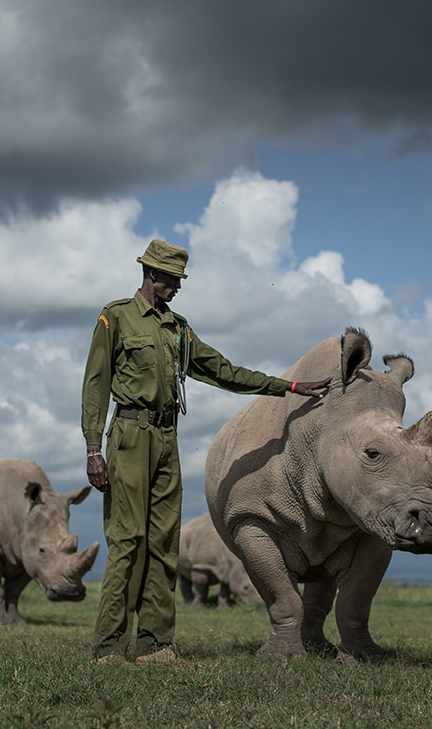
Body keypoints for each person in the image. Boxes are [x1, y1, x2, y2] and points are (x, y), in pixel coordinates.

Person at [81, 238, 330, 665]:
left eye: (180, 280)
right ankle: (109, 648)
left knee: (164, 543)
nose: (177, 287)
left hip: (166, 439)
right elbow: (95, 384)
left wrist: (287, 387)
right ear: (152, 275)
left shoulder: (179, 328)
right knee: (128, 540)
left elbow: (222, 370)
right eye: (173, 280)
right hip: (127, 435)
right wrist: (92, 448)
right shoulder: (115, 316)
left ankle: (155, 646)